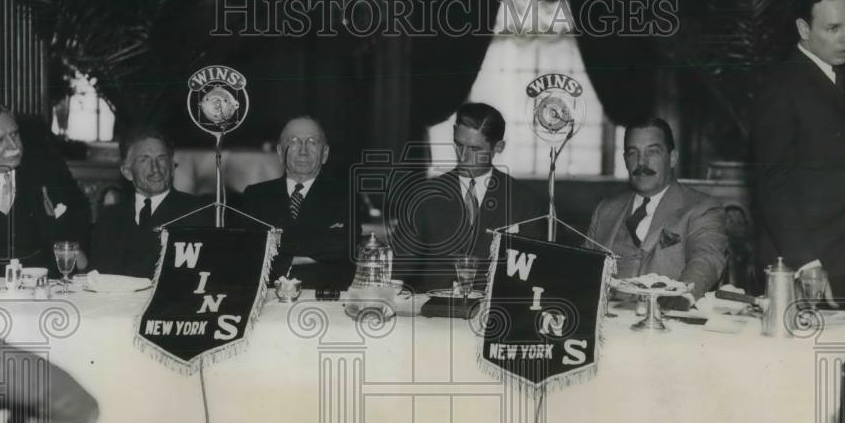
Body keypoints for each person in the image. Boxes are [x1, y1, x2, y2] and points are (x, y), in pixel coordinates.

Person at [752, 0, 845, 305]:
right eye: (833, 28)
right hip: (806, 267)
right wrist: (807, 265)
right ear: (803, 29)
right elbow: (772, 184)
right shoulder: (782, 87)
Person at [395, 102, 547, 292]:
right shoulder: (424, 196)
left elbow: (533, 274)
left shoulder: (525, 201)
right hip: (432, 313)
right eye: (459, 144)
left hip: (493, 313)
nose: (463, 156)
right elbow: (399, 270)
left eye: (475, 149)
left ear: (498, 147)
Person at [582, 118, 726, 304]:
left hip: (667, 323)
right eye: (633, 153)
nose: (642, 162)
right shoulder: (605, 211)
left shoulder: (702, 207)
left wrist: (682, 296)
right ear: (625, 159)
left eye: (653, 152)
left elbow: (707, 259)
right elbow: (583, 269)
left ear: (672, 158)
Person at [0, 100, 91, 277]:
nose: (13, 145)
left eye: (15, 134)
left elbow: (80, 222)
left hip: (43, 290)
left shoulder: (48, 174)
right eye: (0, 140)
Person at [240, 116, 358, 290]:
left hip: (322, 299)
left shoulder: (344, 196)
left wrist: (276, 240)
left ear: (324, 154)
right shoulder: (255, 195)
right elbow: (248, 253)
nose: (303, 151)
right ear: (280, 152)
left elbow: (342, 246)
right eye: (294, 141)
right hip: (267, 298)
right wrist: (314, 251)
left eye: (312, 142)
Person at [90, 128, 211, 278]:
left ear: (172, 167)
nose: (156, 169)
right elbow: (96, 278)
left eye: (161, 158)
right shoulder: (109, 218)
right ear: (127, 172)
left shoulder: (196, 212)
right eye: (144, 159)